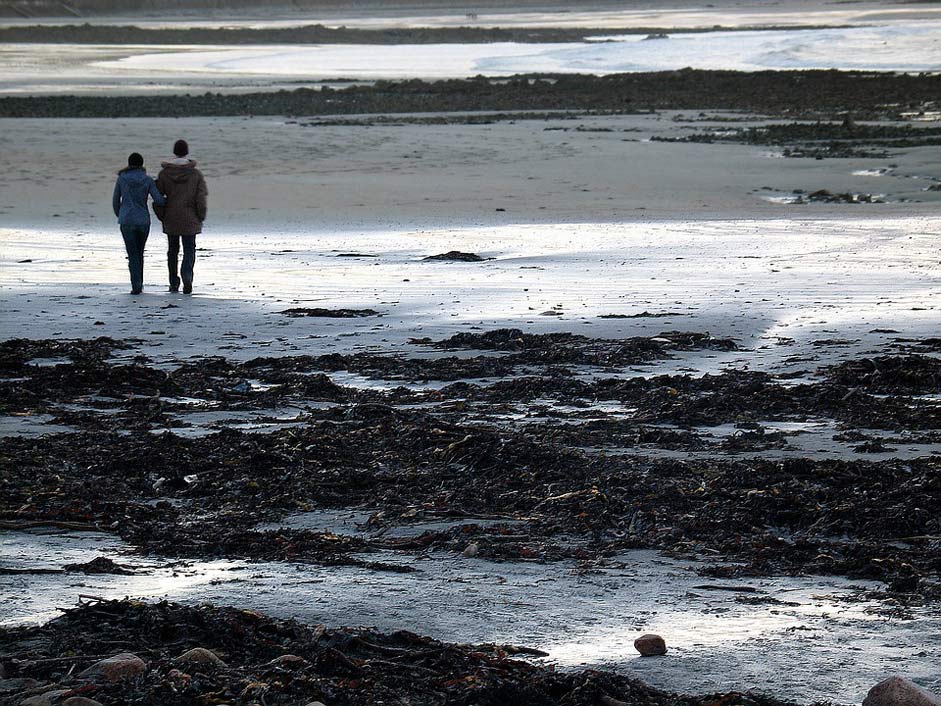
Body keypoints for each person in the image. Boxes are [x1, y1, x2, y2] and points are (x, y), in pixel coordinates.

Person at [154, 139, 208, 294]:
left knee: (172, 250)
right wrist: (201, 216)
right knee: (189, 249)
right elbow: (201, 198)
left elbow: (158, 198)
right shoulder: (196, 174)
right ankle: (187, 276)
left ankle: (173, 282)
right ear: (187, 152)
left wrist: (161, 215)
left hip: (171, 217)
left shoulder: (164, 174)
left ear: (174, 152)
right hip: (190, 217)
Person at [112, 152, 165, 295]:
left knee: (132, 254)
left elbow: (115, 200)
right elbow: (158, 200)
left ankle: (136, 285)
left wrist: (121, 214)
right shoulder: (147, 180)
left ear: (129, 164)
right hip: (143, 220)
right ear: (142, 165)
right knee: (140, 253)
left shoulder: (122, 179)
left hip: (127, 219)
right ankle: (139, 283)